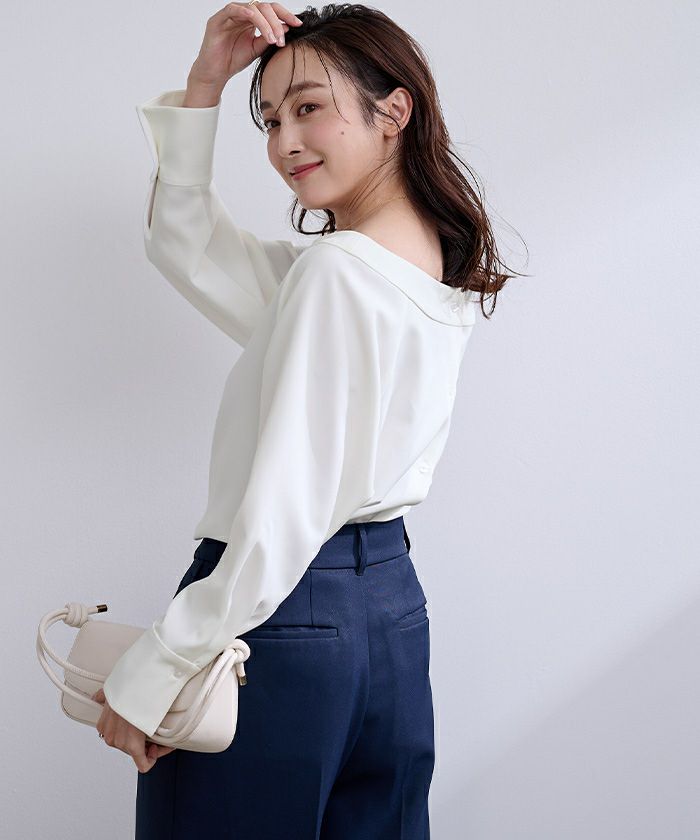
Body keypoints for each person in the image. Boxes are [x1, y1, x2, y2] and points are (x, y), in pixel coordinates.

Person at [92, 2, 519, 837]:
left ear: (394, 111)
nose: (286, 141)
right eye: (270, 120)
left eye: (309, 107)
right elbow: (190, 247)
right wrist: (207, 82)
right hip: (389, 612)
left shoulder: (337, 276)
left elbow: (286, 514)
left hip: (280, 615)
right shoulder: (422, 268)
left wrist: (161, 668)